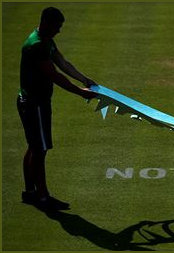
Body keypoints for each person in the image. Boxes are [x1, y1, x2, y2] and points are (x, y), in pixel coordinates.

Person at [17, 7, 97, 211]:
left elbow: (63, 63)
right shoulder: (37, 46)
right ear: (46, 23)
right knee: (40, 149)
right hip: (34, 104)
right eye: (57, 26)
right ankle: (42, 197)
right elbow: (55, 75)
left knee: (34, 146)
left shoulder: (45, 40)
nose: (59, 31)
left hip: (33, 102)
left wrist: (84, 79)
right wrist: (81, 92)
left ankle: (30, 192)